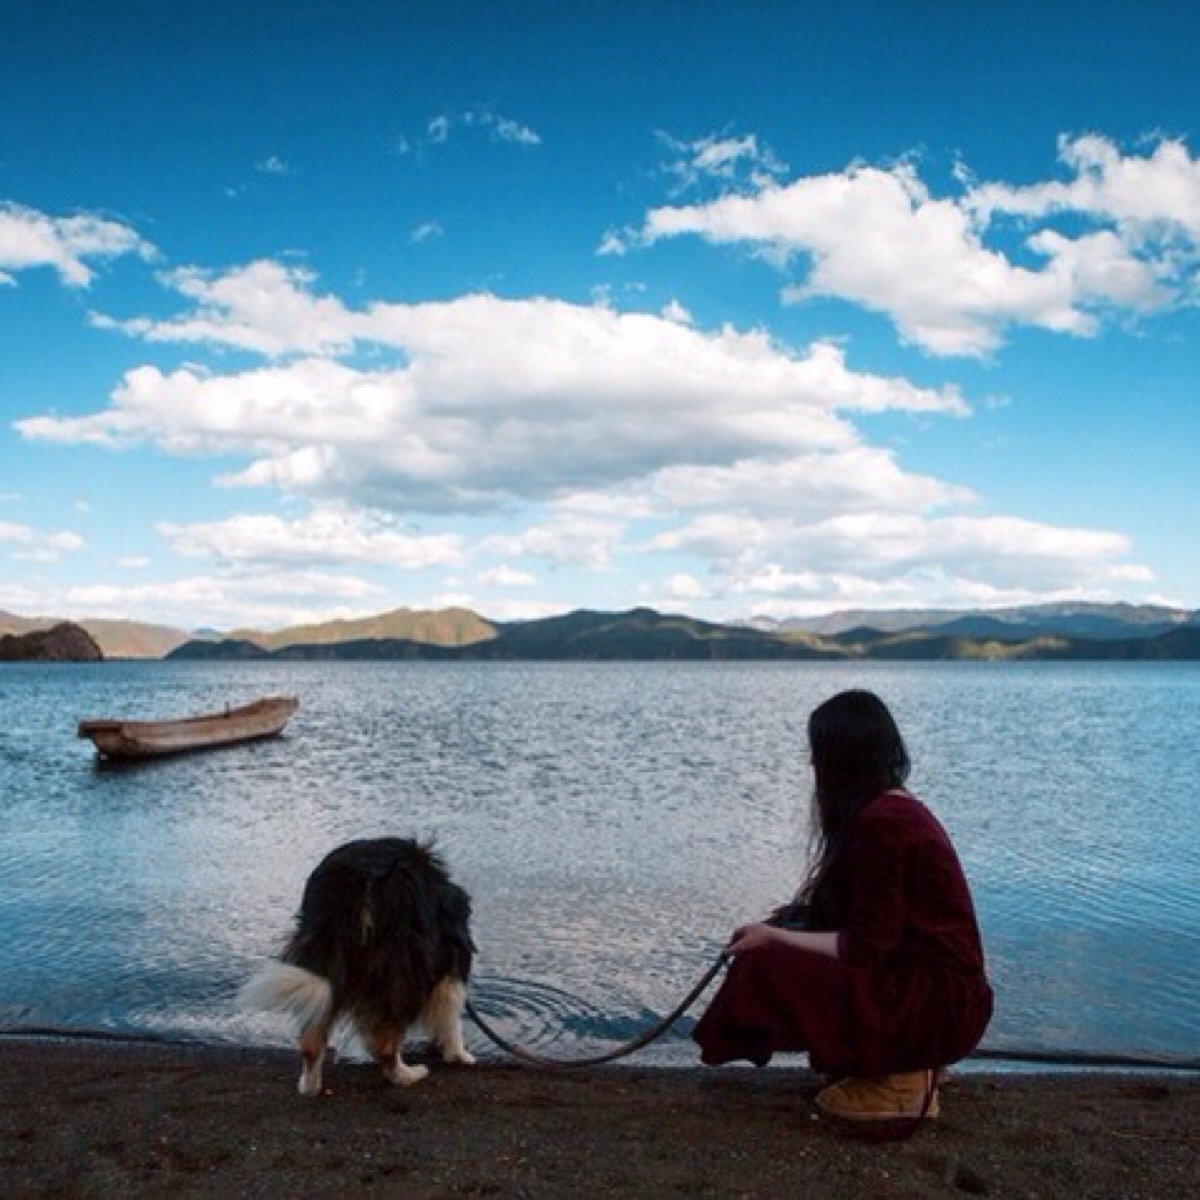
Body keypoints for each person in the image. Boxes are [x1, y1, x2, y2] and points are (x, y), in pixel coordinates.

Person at [692, 689, 992, 1124]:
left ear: (841, 759)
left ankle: (901, 1077)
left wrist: (774, 938)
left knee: (765, 962)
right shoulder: (894, 809)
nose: (813, 766)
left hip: (936, 1008)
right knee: (778, 941)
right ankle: (899, 1061)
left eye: (819, 754)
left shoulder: (882, 823)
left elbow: (867, 947)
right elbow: (875, 925)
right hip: (943, 999)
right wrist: (787, 924)